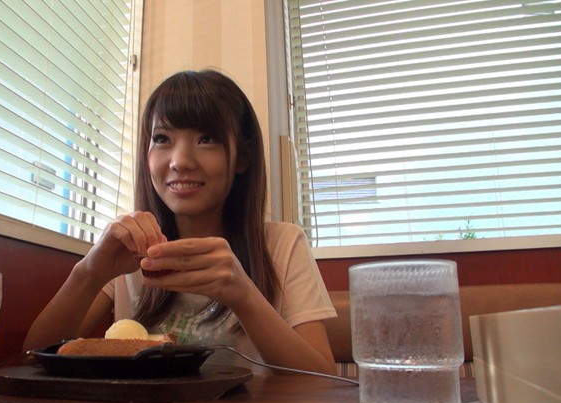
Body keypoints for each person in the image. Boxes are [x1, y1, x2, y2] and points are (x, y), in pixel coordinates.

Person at [24, 69, 336, 375]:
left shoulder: (282, 244)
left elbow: (321, 379)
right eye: (162, 138)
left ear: (242, 157)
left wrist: (243, 295)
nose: (180, 161)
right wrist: (89, 272)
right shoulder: (127, 250)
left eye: (206, 139)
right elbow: (33, 358)